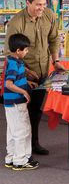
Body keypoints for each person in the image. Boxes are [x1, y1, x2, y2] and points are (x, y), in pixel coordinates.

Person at [5, 0, 64, 155]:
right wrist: (24, 70)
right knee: (20, 112)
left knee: (36, 109)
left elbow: (53, 40)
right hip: (21, 75)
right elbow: (10, 52)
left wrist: (56, 61)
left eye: (44, 4)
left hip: (43, 71)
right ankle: (19, 148)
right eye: (38, 4)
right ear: (28, 3)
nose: (42, 8)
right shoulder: (17, 22)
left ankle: (33, 143)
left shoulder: (49, 16)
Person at [3, 34, 40, 170]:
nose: (27, 51)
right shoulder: (14, 64)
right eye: (25, 50)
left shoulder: (13, 60)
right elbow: (9, 83)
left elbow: (17, 78)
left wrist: (27, 82)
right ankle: (21, 160)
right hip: (16, 103)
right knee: (22, 130)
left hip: (10, 104)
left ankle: (11, 157)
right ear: (18, 50)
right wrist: (24, 92)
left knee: (12, 131)